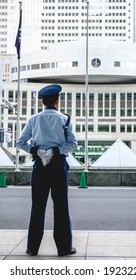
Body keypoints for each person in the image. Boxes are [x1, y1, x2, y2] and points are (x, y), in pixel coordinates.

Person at [16, 84, 78, 257]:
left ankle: (32, 247)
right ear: (57, 101)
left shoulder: (33, 119)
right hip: (58, 166)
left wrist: (37, 151)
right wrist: (55, 151)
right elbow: (73, 144)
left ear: (42, 101)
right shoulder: (64, 119)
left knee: (38, 206)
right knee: (61, 207)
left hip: (39, 167)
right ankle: (64, 248)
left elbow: (20, 143)